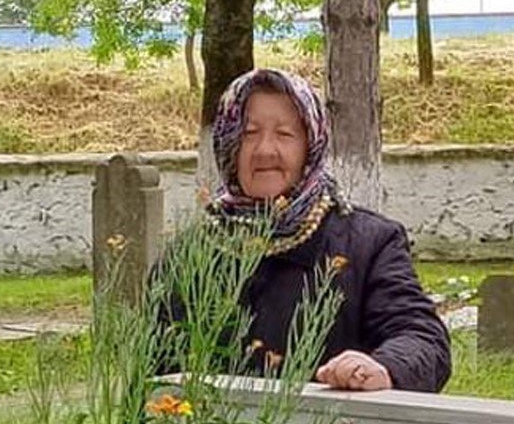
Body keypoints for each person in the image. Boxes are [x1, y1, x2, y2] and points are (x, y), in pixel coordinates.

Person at [189, 67, 451, 393]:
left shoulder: (369, 244)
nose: (265, 150)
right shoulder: (191, 256)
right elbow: (150, 379)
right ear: (227, 143)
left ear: (310, 145)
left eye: (285, 134)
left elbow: (422, 337)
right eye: (248, 133)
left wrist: (384, 367)